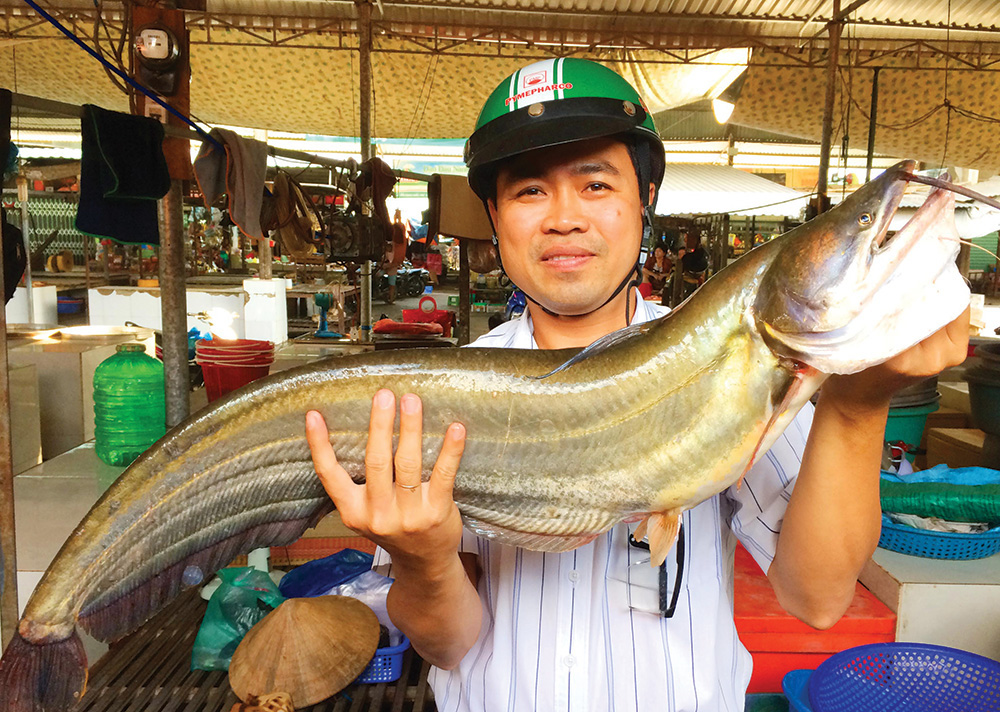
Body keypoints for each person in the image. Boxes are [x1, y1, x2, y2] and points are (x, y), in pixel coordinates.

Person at [304, 59, 969, 711]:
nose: (564, 217)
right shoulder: (448, 397)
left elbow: (817, 597)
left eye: (596, 185)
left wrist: (855, 409)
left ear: (643, 198)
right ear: (495, 214)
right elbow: (449, 644)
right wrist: (422, 560)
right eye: (529, 190)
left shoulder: (730, 353)